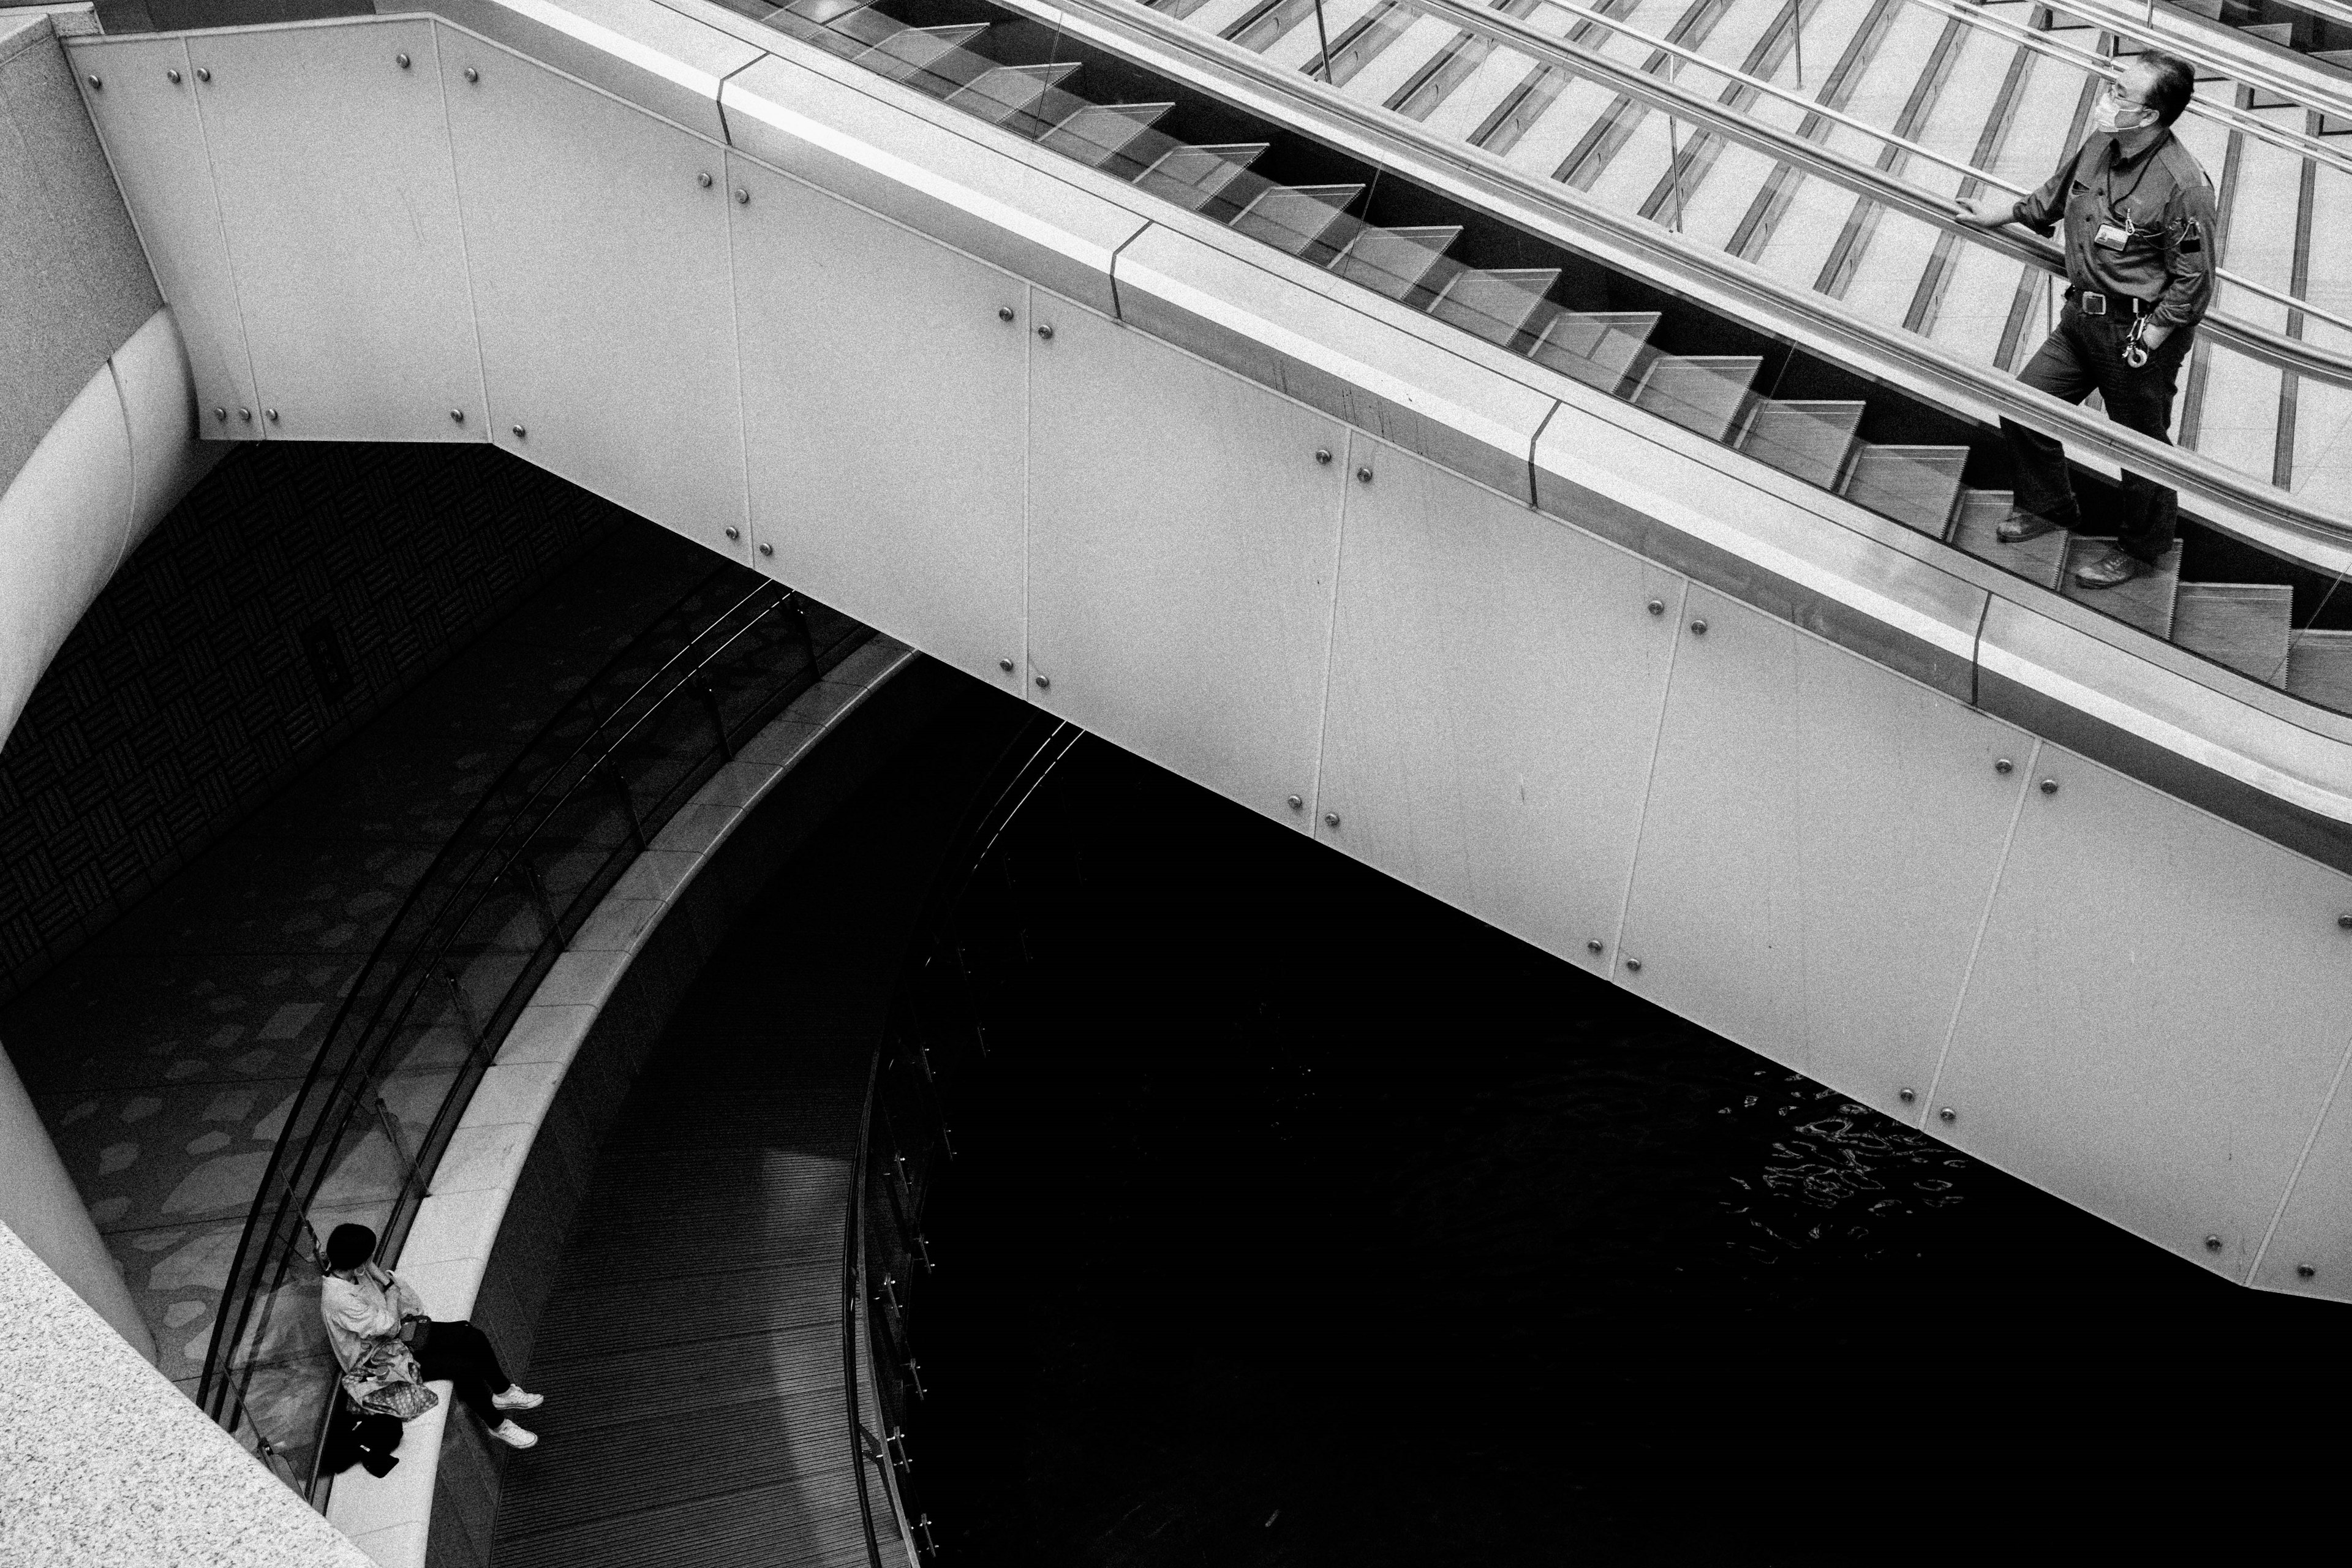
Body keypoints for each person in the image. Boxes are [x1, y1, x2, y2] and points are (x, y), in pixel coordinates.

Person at [1955, 50, 2217, 590]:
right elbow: (2053, 198)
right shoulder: (2101, 144)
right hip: (2081, 318)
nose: (2108, 98)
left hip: (2138, 332)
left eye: (2121, 94)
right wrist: (1997, 215)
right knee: (2026, 402)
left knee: (2138, 442)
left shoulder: (2184, 185)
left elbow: (2194, 281)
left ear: (2149, 116)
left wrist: (2154, 336)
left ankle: (2143, 549)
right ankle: (2050, 505)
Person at [319, 1222, 545, 1450]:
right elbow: (387, 1325)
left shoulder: (352, 1272)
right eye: (368, 1258)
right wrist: (391, 1292)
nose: (371, 1263)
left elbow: (410, 1308)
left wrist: (383, 1279)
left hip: (397, 1338)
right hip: (379, 1360)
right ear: (357, 1263)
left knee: (470, 1335)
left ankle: (503, 1392)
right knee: (461, 1367)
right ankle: (499, 1425)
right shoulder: (339, 1299)